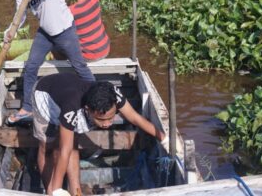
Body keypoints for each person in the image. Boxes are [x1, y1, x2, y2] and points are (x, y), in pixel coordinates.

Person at [32, 73, 166, 196]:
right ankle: (50, 191)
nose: (107, 124)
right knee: (47, 147)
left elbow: (134, 118)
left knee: (73, 145)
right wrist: (57, 189)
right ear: (88, 110)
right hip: (45, 96)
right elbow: (64, 150)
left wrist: (164, 138)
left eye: (111, 118)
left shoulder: (113, 94)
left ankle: (76, 192)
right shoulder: (72, 107)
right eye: (101, 120)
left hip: (68, 90)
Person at [1, 0, 95, 124]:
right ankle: (28, 107)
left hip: (65, 30)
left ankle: (96, 99)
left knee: (80, 67)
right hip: (45, 33)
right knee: (31, 67)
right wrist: (10, 30)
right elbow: (20, 14)